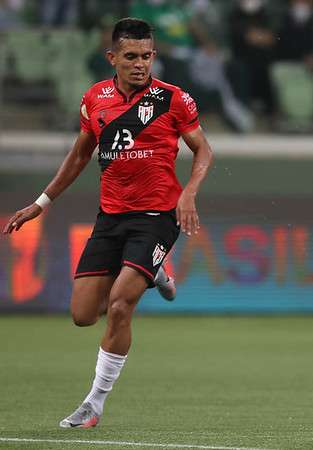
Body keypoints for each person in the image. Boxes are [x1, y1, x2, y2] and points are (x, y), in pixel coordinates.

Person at [2, 17, 212, 428]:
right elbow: (80, 154)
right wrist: (40, 203)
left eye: (147, 56)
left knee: (119, 306)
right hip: (111, 216)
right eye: (131, 56)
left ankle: (93, 404)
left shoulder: (174, 100)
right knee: (83, 314)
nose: (140, 64)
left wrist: (189, 191)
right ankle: (155, 272)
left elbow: (204, 151)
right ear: (112, 57)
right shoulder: (94, 99)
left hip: (157, 216)